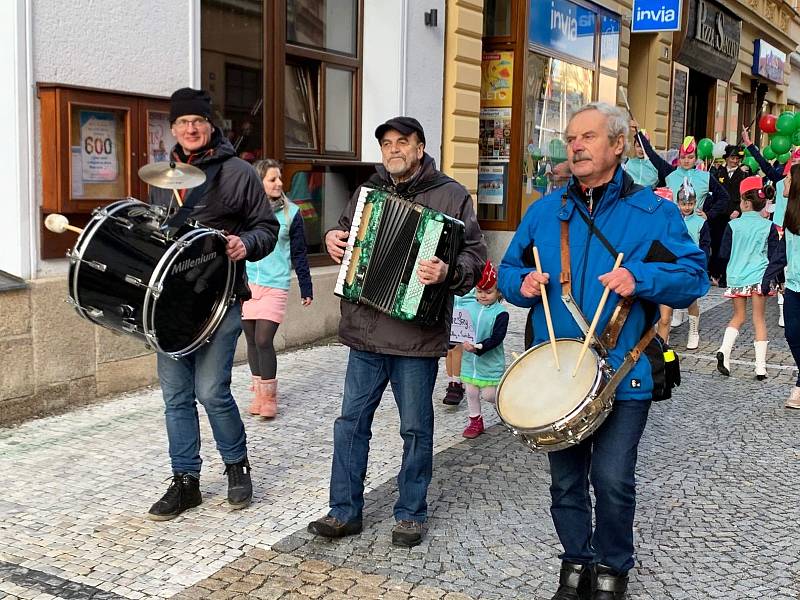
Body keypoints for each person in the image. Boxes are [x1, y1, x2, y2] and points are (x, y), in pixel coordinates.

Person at [499, 102, 708, 600]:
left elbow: (694, 277)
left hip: (623, 370)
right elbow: (509, 269)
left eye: (588, 137)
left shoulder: (652, 213)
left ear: (618, 144)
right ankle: (576, 561)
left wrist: (642, 277)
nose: (576, 146)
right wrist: (520, 282)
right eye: (572, 138)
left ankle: (614, 566)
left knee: (612, 479)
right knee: (565, 483)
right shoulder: (546, 211)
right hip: (557, 373)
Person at [307, 116, 486, 547]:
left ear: (420, 148)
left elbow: (477, 257)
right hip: (365, 332)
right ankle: (344, 511)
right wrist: (334, 236)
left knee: (415, 428)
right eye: (386, 144)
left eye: (401, 143)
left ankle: (410, 513)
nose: (392, 150)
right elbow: (349, 236)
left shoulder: (451, 195)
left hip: (416, 338)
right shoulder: (369, 192)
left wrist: (449, 270)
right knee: (350, 424)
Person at [146, 88, 279, 520]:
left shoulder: (238, 173)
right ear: (173, 129)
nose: (190, 129)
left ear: (209, 124)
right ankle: (186, 482)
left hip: (220, 303)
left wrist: (248, 243)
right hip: (172, 308)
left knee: (211, 391)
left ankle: (236, 467)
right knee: (176, 397)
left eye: (197, 121)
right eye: (182, 123)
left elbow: (267, 229)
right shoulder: (161, 178)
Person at [242, 159, 313, 418]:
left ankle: (270, 399)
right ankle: (259, 395)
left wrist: (306, 287)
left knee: (263, 339)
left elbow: (300, 253)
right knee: (250, 339)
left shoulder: (291, 213)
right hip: (247, 284)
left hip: (276, 284)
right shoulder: (245, 213)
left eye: (280, 178)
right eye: (273, 179)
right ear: (259, 183)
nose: (280, 183)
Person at [716, 176, 786, 381]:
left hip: (737, 276)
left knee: (738, 317)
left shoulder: (733, 225)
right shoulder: (769, 226)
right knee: (759, 319)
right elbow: (775, 255)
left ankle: (724, 350)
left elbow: (723, 253)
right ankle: (760, 368)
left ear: (745, 202)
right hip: (759, 277)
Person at [632, 123, 729, 222]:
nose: (686, 161)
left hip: (696, 228)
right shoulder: (670, 173)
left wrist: (709, 215)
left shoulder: (706, 177)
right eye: (683, 157)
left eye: (690, 157)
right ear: (679, 158)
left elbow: (724, 197)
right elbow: (652, 155)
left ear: (696, 158)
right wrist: (638, 131)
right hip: (673, 225)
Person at [657, 180, 711, 349]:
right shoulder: (672, 220)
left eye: (690, 203)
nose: (687, 207)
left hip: (691, 265)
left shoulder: (701, 222)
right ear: (677, 203)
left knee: (691, 301)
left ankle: (693, 331)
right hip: (673, 264)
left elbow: (705, 246)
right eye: (683, 203)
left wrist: (702, 266)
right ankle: (663, 338)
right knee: (667, 301)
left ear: (695, 203)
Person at [458, 261, 509, 439]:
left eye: (489, 292)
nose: (483, 296)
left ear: (498, 292)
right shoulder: (468, 307)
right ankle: (475, 420)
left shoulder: (501, 313)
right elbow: (458, 325)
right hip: (469, 362)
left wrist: (479, 347)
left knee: (489, 395)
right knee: (470, 391)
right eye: (480, 292)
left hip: (489, 361)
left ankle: (505, 410)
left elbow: (498, 337)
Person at [708, 144, 749, 286]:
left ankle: (726, 276)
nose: (735, 160)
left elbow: (745, 195)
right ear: (726, 158)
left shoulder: (743, 175)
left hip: (733, 215)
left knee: (730, 246)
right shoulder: (718, 173)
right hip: (719, 215)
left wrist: (738, 209)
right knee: (716, 244)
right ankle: (714, 274)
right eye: (732, 157)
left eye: (737, 158)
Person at [781, 164, 800, 408]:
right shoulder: (787, 212)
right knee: (792, 334)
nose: (784, 181)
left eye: (787, 178)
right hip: (793, 286)